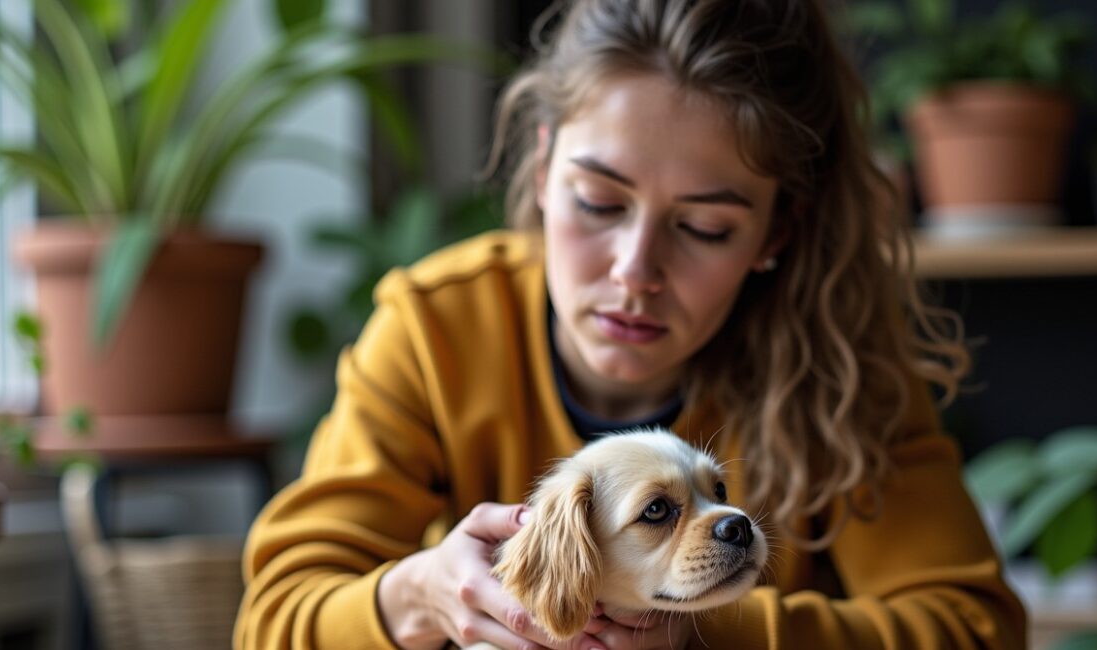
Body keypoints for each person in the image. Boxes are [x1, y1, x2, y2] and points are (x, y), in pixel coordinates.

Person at [234, 0, 1027, 648]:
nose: (633, 272)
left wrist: (704, 632)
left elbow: (973, 629)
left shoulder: (839, 361)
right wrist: (418, 596)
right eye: (599, 203)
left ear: (775, 234)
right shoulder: (437, 327)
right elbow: (272, 621)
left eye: (705, 228)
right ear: (543, 170)